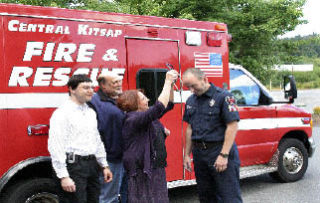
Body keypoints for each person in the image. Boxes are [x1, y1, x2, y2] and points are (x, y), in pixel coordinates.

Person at [48, 74, 113, 203]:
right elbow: (56, 146)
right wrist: (63, 176)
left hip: (92, 165)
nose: (91, 91)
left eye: (92, 87)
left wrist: (104, 165)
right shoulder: (62, 113)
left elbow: (96, 140)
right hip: (73, 167)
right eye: (85, 88)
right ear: (72, 89)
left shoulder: (90, 112)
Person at [117, 70, 178, 203]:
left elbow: (167, 105)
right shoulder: (133, 118)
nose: (148, 100)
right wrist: (167, 81)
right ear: (134, 103)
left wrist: (172, 85)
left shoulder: (145, 117)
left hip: (155, 166)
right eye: (144, 99)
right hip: (142, 169)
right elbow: (159, 107)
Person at [182, 68, 242, 203]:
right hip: (200, 155)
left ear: (204, 79)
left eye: (193, 86)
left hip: (219, 151)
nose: (191, 90)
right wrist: (187, 154)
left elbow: (232, 126)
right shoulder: (191, 101)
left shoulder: (224, 97)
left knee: (229, 197)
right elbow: (189, 128)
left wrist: (224, 155)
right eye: (188, 87)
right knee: (206, 197)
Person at [89, 72, 127, 203]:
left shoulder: (116, 100)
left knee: (117, 195)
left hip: (120, 157)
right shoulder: (94, 102)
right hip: (108, 158)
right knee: (107, 198)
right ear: (103, 86)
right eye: (114, 82)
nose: (118, 84)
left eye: (119, 81)